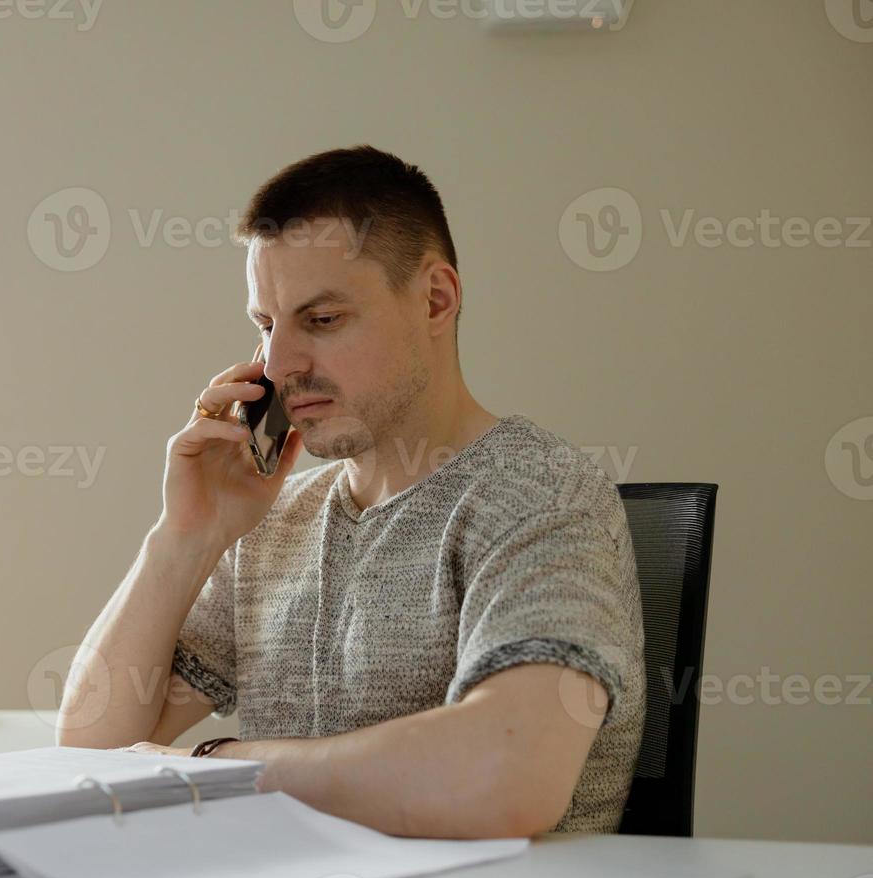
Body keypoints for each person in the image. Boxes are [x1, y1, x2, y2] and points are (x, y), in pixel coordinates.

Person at [58, 146, 645, 837]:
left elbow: (507, 777)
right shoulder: (278, 522)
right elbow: (92, 753)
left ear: (435, 300)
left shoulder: (540, 494)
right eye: (266, 325)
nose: (279, 365)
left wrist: (224, 769)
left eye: (322, 320)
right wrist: (186, 535)